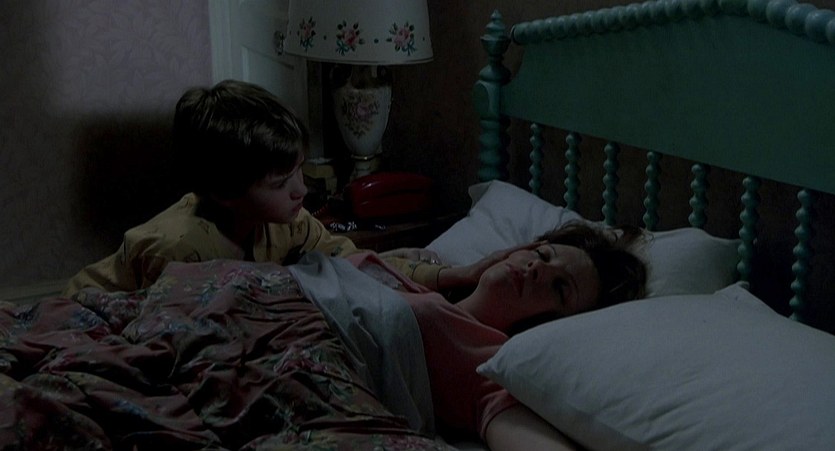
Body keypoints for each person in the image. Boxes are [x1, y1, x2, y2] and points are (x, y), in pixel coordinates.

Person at [63, 79, 438, 296]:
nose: (301, 190)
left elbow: (352, 261)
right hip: (89, 314)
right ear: (226, 192)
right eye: (281, 182)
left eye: (299, 171)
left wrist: (442, 277)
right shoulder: (181, 250)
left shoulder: (290, 221)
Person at [348, 222, 647, 450]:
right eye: (542, 254)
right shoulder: (420, 283)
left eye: (560, 287)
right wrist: (458, 274)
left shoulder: (490, 367)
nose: (537, 268)